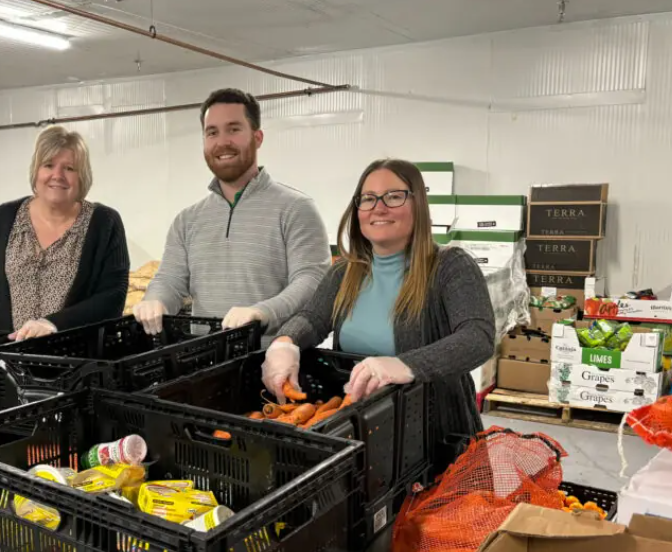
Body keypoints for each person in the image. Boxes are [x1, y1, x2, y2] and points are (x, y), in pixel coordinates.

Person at [261, 158, 495, 474]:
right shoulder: (346, 272)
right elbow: (313, 318)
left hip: (433, 439)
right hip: (362, 435)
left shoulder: (450, 267)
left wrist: (405, 364)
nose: (378, 208)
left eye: (394, 196)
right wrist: (285, 343)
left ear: (418, 205)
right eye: (368, 199)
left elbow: (477, 337)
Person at [133, 88, 330, 338]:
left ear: (257, 137)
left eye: (234, 129)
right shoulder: (187, 220)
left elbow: (312, 281)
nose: (222, 141)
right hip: (204, 362)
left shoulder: (296, 208)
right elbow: (170, 280)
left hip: (274, 364)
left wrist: (262, 313)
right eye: (212, 132)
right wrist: (156, 301)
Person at [0, 125, 129, 344]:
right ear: (36, 171)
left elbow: (112, 297)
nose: (57, 175)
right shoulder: (6, 216)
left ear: (82, 176)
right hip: (8, 362)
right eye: (48, 165)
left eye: (69, 168)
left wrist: (53, 324)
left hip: (76, 360)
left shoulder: (104, 223)